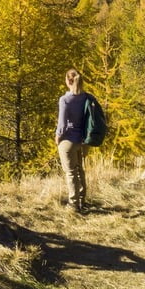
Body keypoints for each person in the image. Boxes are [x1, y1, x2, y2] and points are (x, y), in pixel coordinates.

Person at [56, 68, 89, 211]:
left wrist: (57, 136)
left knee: (70, 172)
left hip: (68, 140)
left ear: (68, 81)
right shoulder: (86, 97)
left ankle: (73, 204)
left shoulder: (65, 100)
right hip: (81, 140)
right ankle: (82, 200)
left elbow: (62, 124)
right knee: (79, 170)